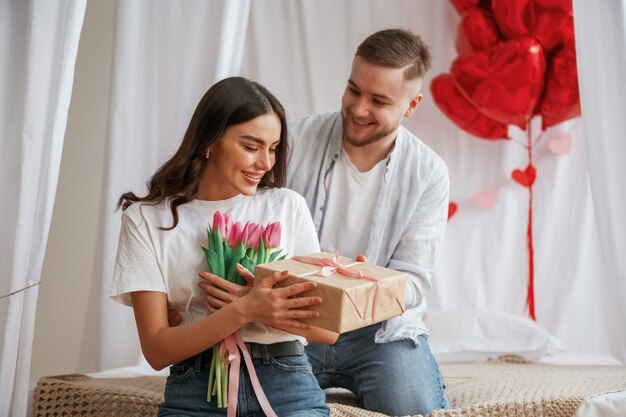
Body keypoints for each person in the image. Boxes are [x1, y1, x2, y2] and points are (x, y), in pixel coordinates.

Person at [110, 76, 337, 417]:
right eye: (251, 146)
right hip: (194, 391)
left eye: (273, 148)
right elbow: (157, 350)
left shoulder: (287, 207)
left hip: (287, 383)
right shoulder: (145, 219)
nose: (266, 163)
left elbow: (326, 331)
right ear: (209, 142)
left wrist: (269, 310)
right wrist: (245, 310)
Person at [283, 28, 451, 416]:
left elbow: (415, 281)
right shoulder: (294, 140)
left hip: (379, 333)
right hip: (295, 322)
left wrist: (363, 288)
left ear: (412, 105)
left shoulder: (429, 173)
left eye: (378, 101)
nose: (358, 109)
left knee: (413, 405)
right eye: (353, 90)